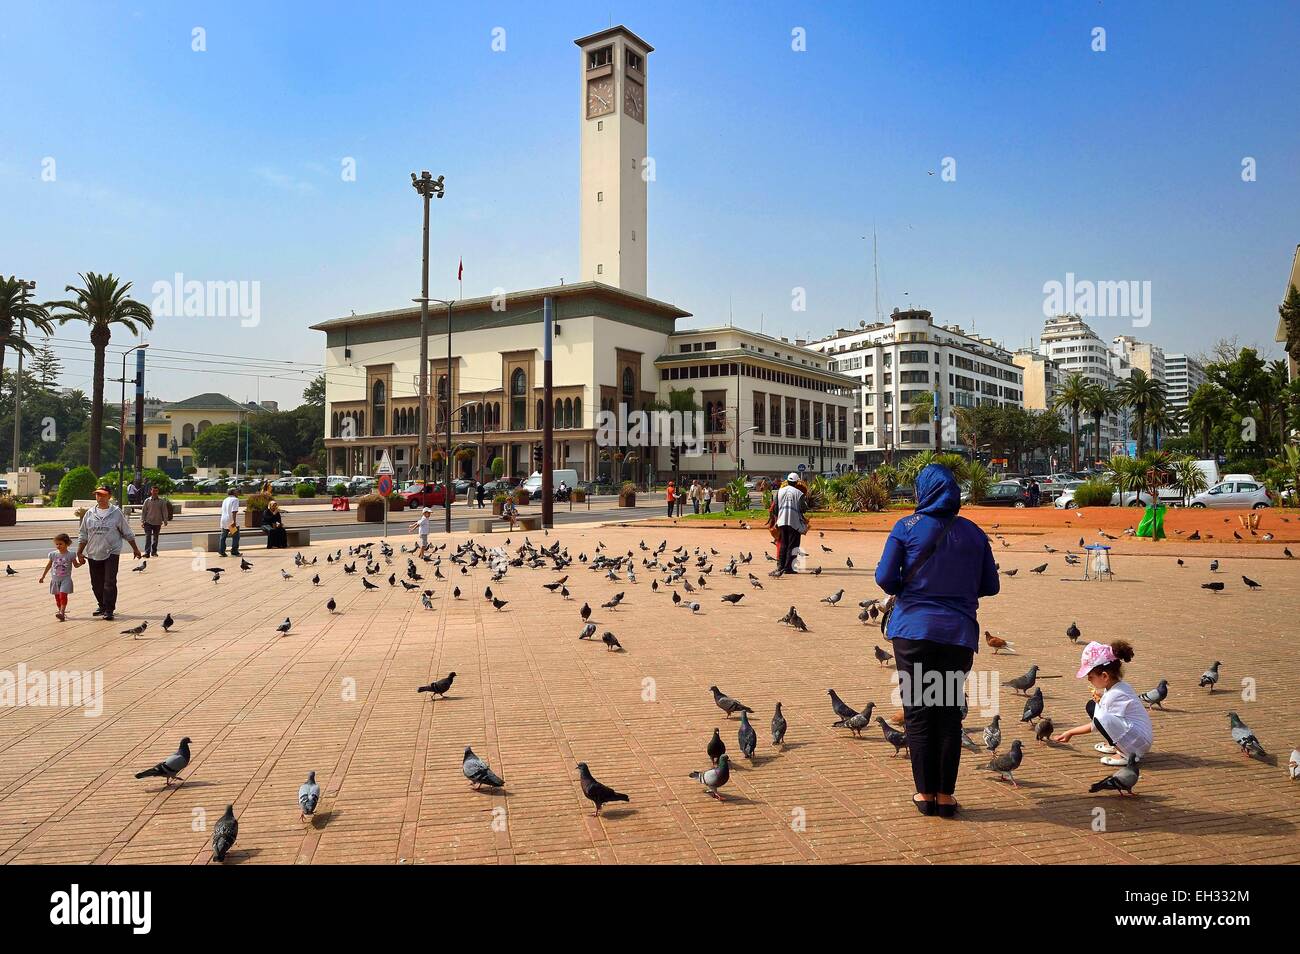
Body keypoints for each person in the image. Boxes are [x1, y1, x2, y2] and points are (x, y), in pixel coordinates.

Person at [874, 463, 1000, 817]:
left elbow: (885, 577)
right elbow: (991, 585)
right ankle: (945, 797)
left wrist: (909, 590)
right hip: (957, 634)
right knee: (947, 714)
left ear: (922, 492)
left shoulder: (906, 527)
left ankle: (924, 794)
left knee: (917, 713)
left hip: (913, 632)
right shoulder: (975, 533)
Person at [1053, 640, 1153, 766]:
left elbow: (1098, 723)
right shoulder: (1118, 687)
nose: (1088, 679)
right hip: (1138, 736)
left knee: (1100, 717)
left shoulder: (1114, 695)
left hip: (1138, 743)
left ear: (1105, 676)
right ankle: (1117, 745)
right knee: (1092, 706)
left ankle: (1126, 755)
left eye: (1091, 676)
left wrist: (1071, 732)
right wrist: (1101, 699)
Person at [75, 484, 143, 623]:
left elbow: (127, 532)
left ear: (109, 496)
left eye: (103, 495)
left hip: (112, 551)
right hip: (93, 552)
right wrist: (79, 551)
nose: (99, 497)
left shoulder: (116, 513)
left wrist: (135, 548)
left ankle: (109, 609)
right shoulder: (89, 513)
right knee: (96, 583)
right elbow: (83, 533)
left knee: (109, 582)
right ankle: (102, 605)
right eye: (97, 494)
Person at [769, 473, 808, 577]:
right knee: (793, 545)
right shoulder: (799, 493)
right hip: (794, 522)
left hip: (781, 522)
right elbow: (803, 509)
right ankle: (789, 568)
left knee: (783, 544)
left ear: (788, 481)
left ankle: (780, 567)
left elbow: (775, 508)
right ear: (796, 482)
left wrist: (779, 518)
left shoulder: (779, 491)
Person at [39, 533, 76, 622]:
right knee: (57, 597)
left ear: (67, 544)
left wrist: (81, 562)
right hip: (55, 579)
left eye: (60, 544)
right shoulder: (53, 554)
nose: (58, 546)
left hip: (65, 579)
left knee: (63, 595)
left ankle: (62, 612)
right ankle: (60, 611)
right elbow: (48, 565)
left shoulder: (71, 555)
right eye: (57, 544)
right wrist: (43, 576)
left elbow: (76, 565)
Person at [140, 484, 169, 557]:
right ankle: (147, 553)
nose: (155, 492)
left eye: (156, 491)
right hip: (148, 522)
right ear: (151, 491)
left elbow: (164, 511)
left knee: (155, 538)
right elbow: (143, 511)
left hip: (157, 522)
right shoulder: (147, 501)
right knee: (148, 538)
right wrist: (142, 521)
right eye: (153, 490)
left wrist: (165, 520)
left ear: (158, 491)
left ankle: (154, 552)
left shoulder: (161, 501)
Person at [218, 487, 242, 558]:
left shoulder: (225, 499)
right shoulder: (235, 499)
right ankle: (234, 551)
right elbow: (234, 511)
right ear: (234, 493)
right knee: (235, 537)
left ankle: (221, 551)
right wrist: (234, 521)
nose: (238, 492)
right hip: (231, 521)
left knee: (223, 537)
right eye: (236, 491)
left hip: (224, 520)